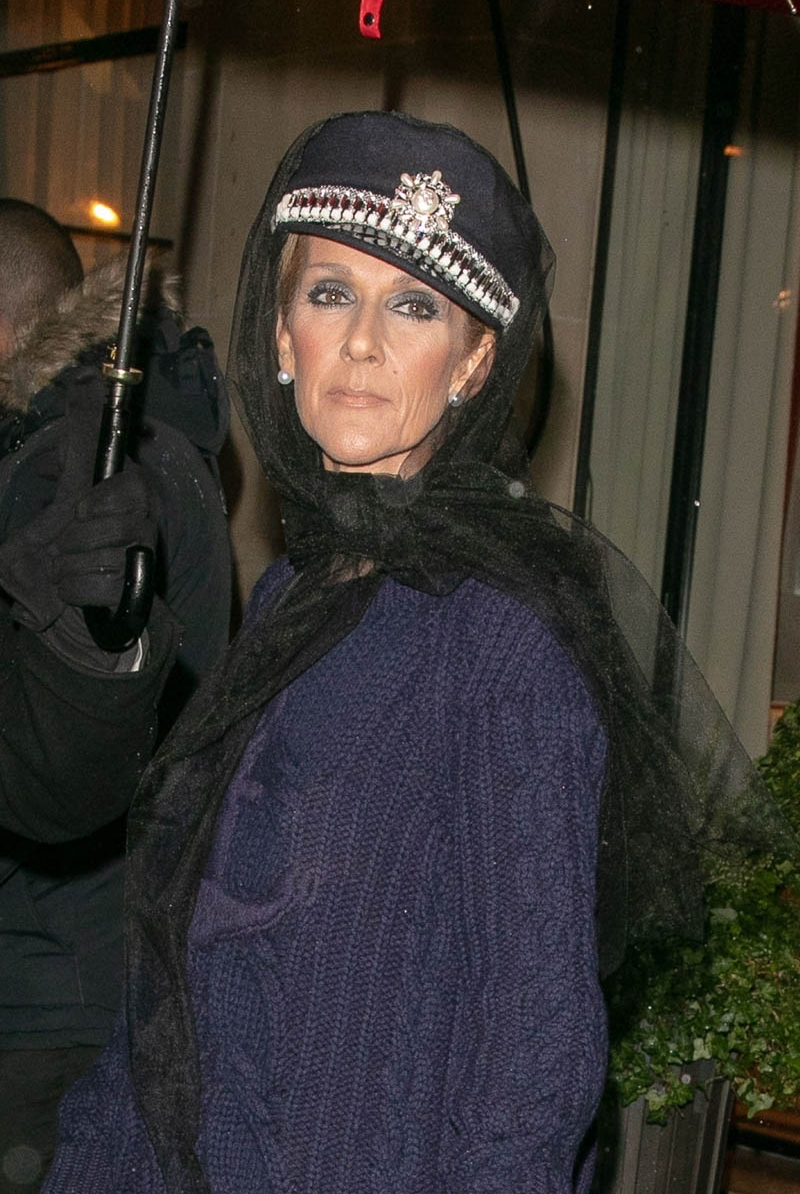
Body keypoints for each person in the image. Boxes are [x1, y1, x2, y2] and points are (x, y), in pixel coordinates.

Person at [42, 112, 787, 1194]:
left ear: (475, 362)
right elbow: (178, 971)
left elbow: (535, 1055)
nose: (361, 342)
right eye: (329, 293)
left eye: (414, 305)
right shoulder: (296, 595)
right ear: (279, 335)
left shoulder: (505, 635)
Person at [0, 200, 231, 1192]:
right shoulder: (134, 446)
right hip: (91, 988)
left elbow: (53, 767)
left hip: (44, 1009)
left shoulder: (72, 469)